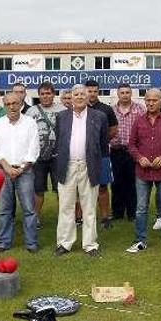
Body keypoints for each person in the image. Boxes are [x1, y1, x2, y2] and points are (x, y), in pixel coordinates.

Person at [53, 84, 108, 257]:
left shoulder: (99, 116)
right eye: (75, 94)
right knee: (66, 206)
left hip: (89, 165)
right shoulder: (61, 117)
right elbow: (59, 141)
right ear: (71, 97)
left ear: (87, 96)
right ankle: (64, 243)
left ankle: (90, 244)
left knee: (89, 206)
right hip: (67, 165)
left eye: (82, 94)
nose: (79, 97)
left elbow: (102, 142)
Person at [127, 89, 161, 256]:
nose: (150, 103)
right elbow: (131, 145)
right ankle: (140, 241)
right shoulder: (138, 121)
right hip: (142, 172)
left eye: (154, 100)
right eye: (148, 100)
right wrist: (139, 157)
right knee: (141, 208)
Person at [0, 92, 40, 253]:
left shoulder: (30, 123)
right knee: (4, 209)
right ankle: (4, 242)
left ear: (21, 104)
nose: (12, 107)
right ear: (4, 106)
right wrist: (7, 168)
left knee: (29, 209)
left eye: (15, 103)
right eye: (8, 104)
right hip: (4, 171)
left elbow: (34, 149)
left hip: (24, 171)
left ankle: (31, 242)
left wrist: (20, 169)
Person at [26, 81, 66, 226]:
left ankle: (63, 217)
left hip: (58, 157)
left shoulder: (63, 110)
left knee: (60, 189)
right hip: (38, 158)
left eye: (48, 93)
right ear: (39, 95)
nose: (45, 96)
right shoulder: (31, 111)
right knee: (38, 189)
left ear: (54, 94)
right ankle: (35, 217)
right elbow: (27, 134)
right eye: (42, 94)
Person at [85, 79, 118, 229]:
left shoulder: (106, 109)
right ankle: (82, 218)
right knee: (82, 187)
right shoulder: (79, 108)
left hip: (102, 154)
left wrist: (102, 141)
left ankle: (105, 217)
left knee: (102, 186)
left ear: (98, 92)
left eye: (94, 91)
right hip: (82, 155)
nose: (92, 94)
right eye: (89, 91)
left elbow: (114, 129)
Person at [110, 84, 144, 222]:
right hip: (116, 151)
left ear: (131, 94)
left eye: (127, 92)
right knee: (116, 182)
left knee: (132, 182)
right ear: (118, 94)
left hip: (132, 152)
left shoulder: (139, 109)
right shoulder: (112, 110)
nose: (125, 95)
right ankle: (117, 212)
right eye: (122, 92)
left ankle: (132, 212)